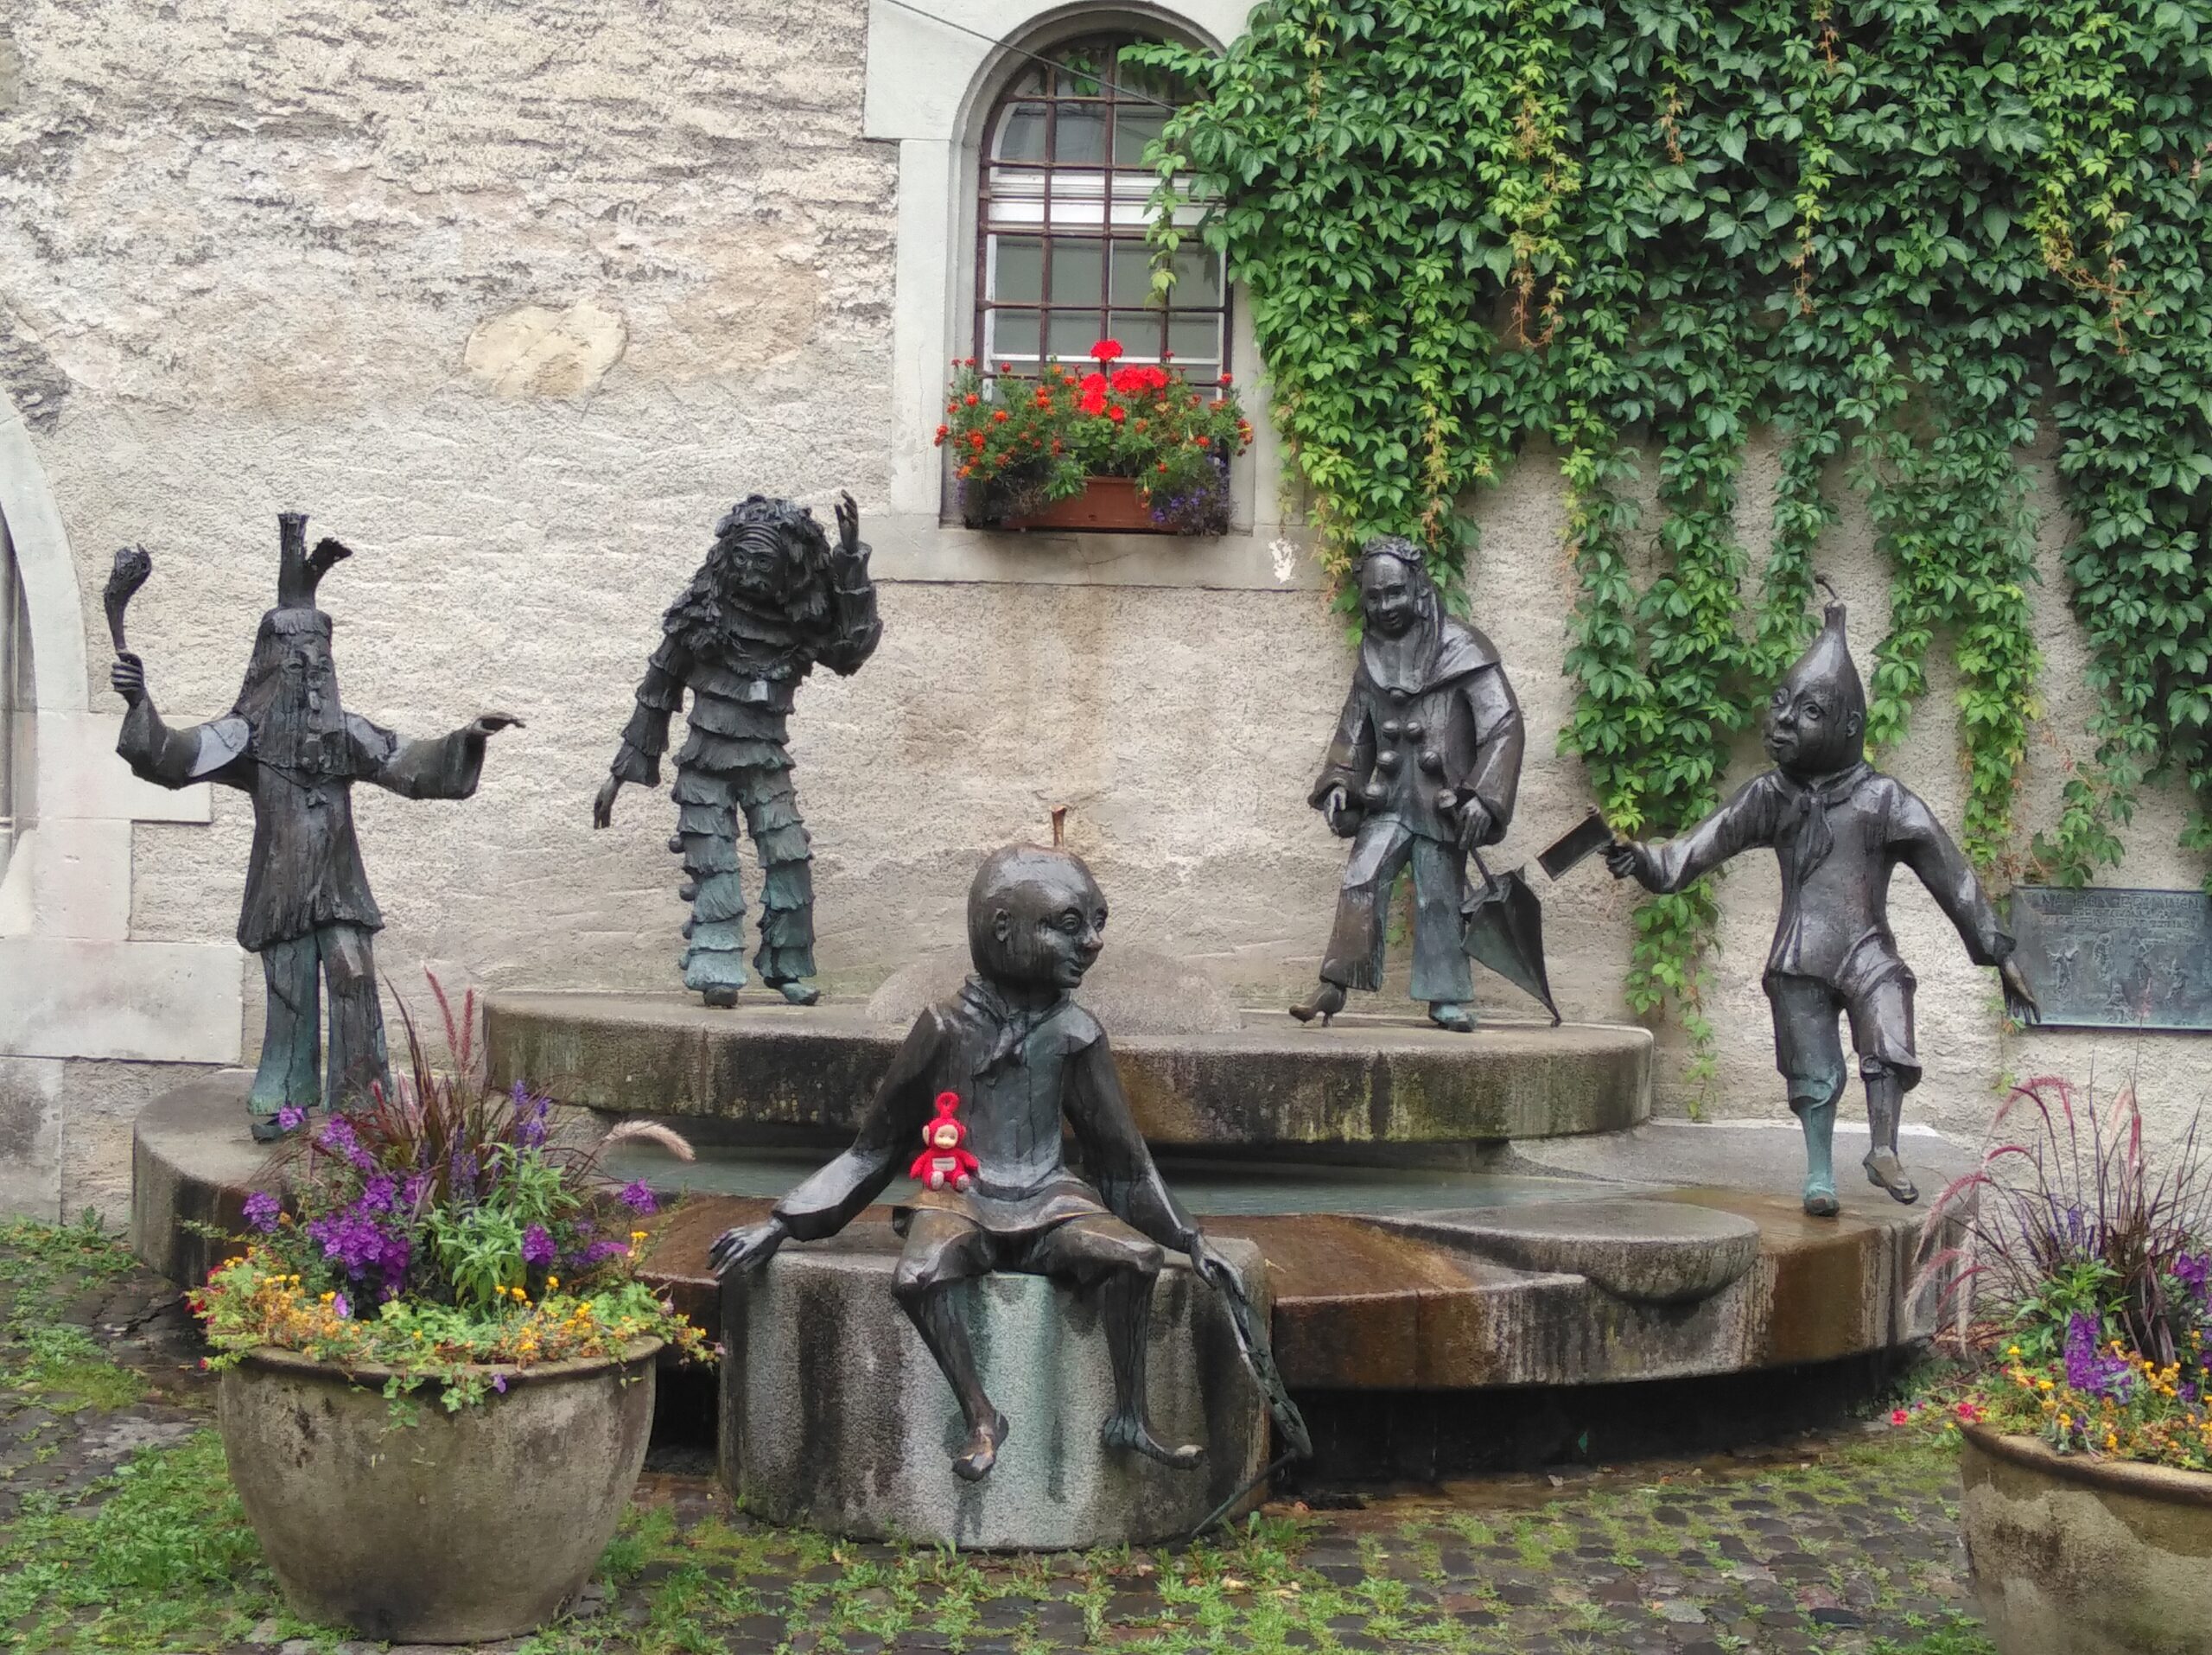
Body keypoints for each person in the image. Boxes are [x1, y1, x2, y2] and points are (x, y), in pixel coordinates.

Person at [710, 844, 1236, 1483]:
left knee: (1137, 1257)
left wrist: (1190, 1239)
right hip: (959, 1195)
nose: (1094, 942)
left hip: (1051, 1198)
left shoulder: (1077, 1033)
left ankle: (1131, 1416)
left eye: (1099, 923)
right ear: (1002, 929)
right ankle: (982, 1415)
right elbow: (873, 1149)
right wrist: (782, 1223)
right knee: (918, 1275)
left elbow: (1124, 1166)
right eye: (1070, 925)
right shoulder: (943, 1028)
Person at [1605, 598, 2040, 1215]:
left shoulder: (1884, 799)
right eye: (1781, 703)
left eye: (1808, 711)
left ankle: (1883, 1147)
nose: (1783, 720)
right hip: (1801, 954)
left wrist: (1999, 952)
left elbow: (1952, 875)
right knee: (1813, 1071)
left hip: (1867, 950)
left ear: (1851, 725)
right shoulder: (1770, 795)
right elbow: (1695, 850)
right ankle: (1818, 1172)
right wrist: (1645, 860)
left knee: (1890, 1021)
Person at [112, 513, 516, 1140]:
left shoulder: (346, 734)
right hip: (280, 892)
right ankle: (286, 1094)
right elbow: (170, 757)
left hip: (340, 888)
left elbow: (411, 764)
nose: (311, 675)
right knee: (290, 990)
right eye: (298, 665)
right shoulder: (243, 736)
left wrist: (466, 738)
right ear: (272, 668)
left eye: (320, 664)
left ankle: (364, 1102)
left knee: (353, 975)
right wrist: (141, 701)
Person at [594, 493, 880, 1007]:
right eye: (742, 559)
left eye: (763, 563)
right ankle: (716, 965)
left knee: (790, 860)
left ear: (789, 566)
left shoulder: (801, 625)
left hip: (767, 765)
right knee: (715, 867)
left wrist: (851, 558)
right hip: (704, 769)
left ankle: (786, 966)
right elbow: (657, 691)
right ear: (728, 556)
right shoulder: (701, 616)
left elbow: (850, 652)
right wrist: (620, 774)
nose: (749, 572)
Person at [1291, 535, 1524, 1031]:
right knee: (1361, 877)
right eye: (1374, 597)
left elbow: (1504, 725)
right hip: (1389, 799)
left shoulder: (1464, 648)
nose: (1385, 607)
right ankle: (1334, 984)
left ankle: (1445, 997)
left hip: (1441, 803)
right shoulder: (1371, 656)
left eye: (1394, 592)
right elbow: (1354, 729)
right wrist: (1339, 782)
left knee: (1438, 896)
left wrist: (1484, 797)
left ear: (1418, 587)